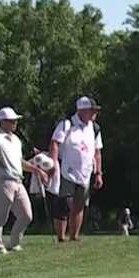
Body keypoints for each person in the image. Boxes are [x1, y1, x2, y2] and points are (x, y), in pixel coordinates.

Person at [0, 107, 50, 255]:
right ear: (2, 122)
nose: (15, 123)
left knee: (27, 215)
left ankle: (14, 242)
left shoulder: (15, 140)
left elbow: (19, 162)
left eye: (15, 121)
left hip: (17, 181)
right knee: (0, 217)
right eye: (11, 121)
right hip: (2, 181)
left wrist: (37, 170)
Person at [50, 97, 104, 242]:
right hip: (67, 171)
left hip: (85, 172)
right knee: (65, 203)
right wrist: (53, 163)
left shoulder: (94, 128)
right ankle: (61, 237)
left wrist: (98, 173)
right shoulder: (67, 124)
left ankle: (74, 236)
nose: (94, 114)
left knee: (80, 205)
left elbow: (98, 152)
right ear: (82, 111)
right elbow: (55, 143)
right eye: (92, 111)